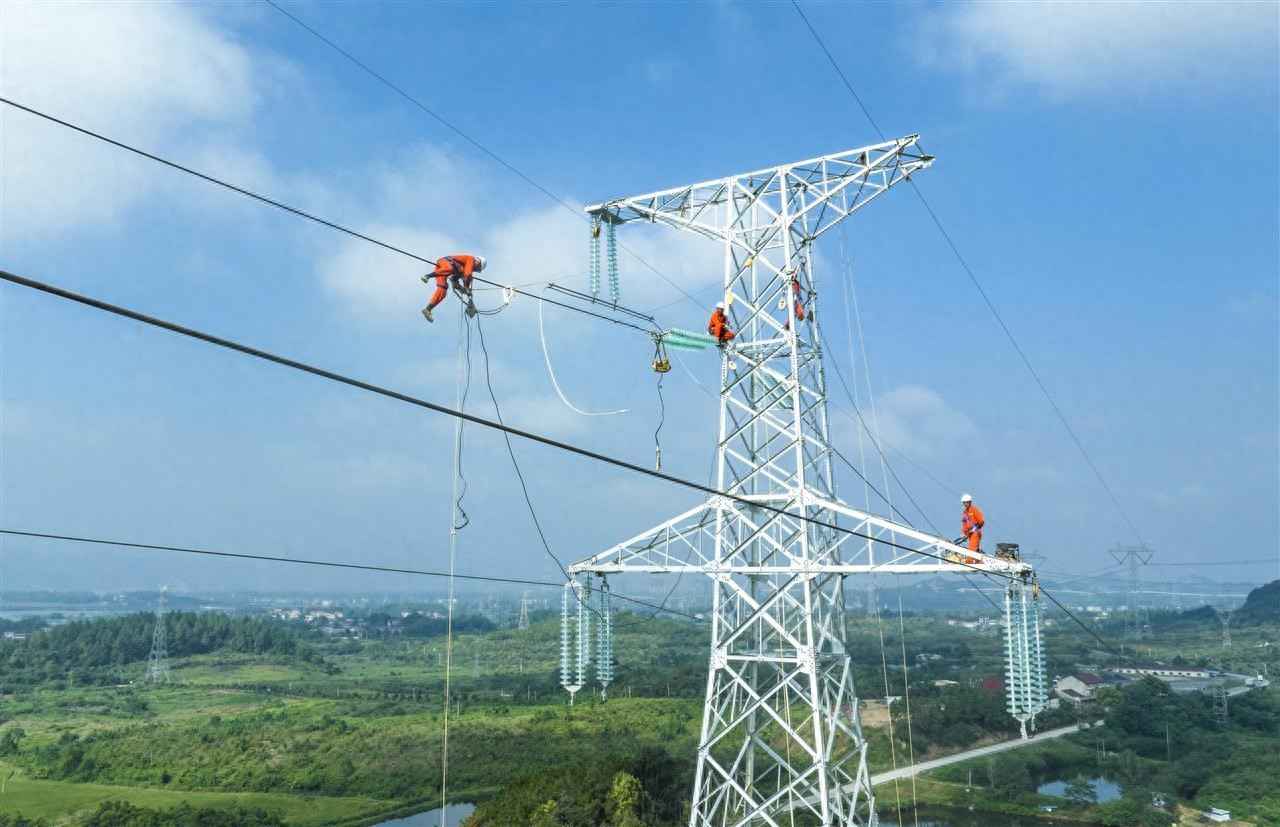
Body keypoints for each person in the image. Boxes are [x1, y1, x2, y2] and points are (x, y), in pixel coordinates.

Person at [422, 254, 486, 322]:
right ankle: (427, 276)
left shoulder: (463, 268)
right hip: (445, 262)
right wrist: (466, 287)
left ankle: (427, 309)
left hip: (443, 271)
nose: (475, 270)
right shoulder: (471, 259)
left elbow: (456, 279)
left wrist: (463, 289)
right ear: (478, 262)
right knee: (450, 268)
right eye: (478, 268)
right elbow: (467, 274)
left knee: (442, 290)